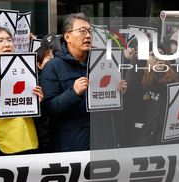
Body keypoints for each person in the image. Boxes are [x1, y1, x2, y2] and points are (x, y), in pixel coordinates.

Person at [41, 13, 127, 152]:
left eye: (90, 31)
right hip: (71, 145)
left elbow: (110, 110)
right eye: (82, 31)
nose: (88, 36)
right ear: (67, 36)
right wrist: (73, 93)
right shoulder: (52, 66)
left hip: (103, 141)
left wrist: (119, 94)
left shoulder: (102, 63)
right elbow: (50, 108)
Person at [0, 26, 42, 156]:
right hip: (0, 143)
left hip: (28, 140)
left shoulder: (25, 72)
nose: (6, 44)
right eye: (0, 41)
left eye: (9, 40)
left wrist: (38, 102)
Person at [122, 44, 179, 147]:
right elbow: (133, 75)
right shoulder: (138, 81)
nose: (159, 57)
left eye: (162, 54)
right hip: (140, 143)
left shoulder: (173, 81)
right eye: (153, 54)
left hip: (166, 145)